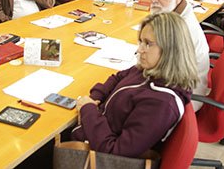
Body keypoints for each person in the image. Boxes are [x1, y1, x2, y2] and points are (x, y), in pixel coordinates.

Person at [72, 12, 199, 157]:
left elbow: (115, 152)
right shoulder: (149, 70)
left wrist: (88, 110)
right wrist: (95, 97)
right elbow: (118, 77)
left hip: (94, 152)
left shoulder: (161, 104)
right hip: (93, 127)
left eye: (148, 44)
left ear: (171, 49)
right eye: (141, 42)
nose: (140, 50)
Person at [148, 0, 210, 111]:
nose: (153, 0)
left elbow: (155, 71)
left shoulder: (181, 29)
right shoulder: (176, 12)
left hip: (182, 98)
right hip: (172, 84)